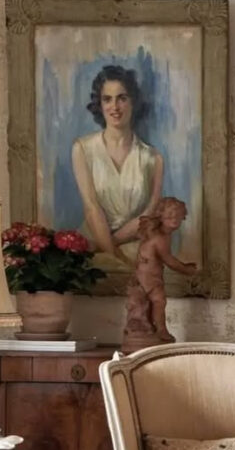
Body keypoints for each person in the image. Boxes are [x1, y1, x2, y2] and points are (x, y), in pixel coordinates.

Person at [71, 65, 163, 266]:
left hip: (134, 249)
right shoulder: (83, 149)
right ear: (99, 103)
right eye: (107, 99)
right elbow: (91, 207)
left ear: (133, 102)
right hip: (91, 246)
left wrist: (114, 248)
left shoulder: (152, 158)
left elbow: (149, 214)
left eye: (122, 98)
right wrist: (110, 252)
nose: (115, 106)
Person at [122, 197, 198, 349]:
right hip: (149, 278)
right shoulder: (160, 239)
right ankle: (161, 330)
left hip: (147, 276)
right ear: (161, 216)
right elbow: (169, 260)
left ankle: (150, 328)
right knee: (159, 302)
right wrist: (186, 270)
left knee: (151, 303)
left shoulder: (161, 235)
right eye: (170, 215)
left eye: (178, 216)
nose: (175, 219)